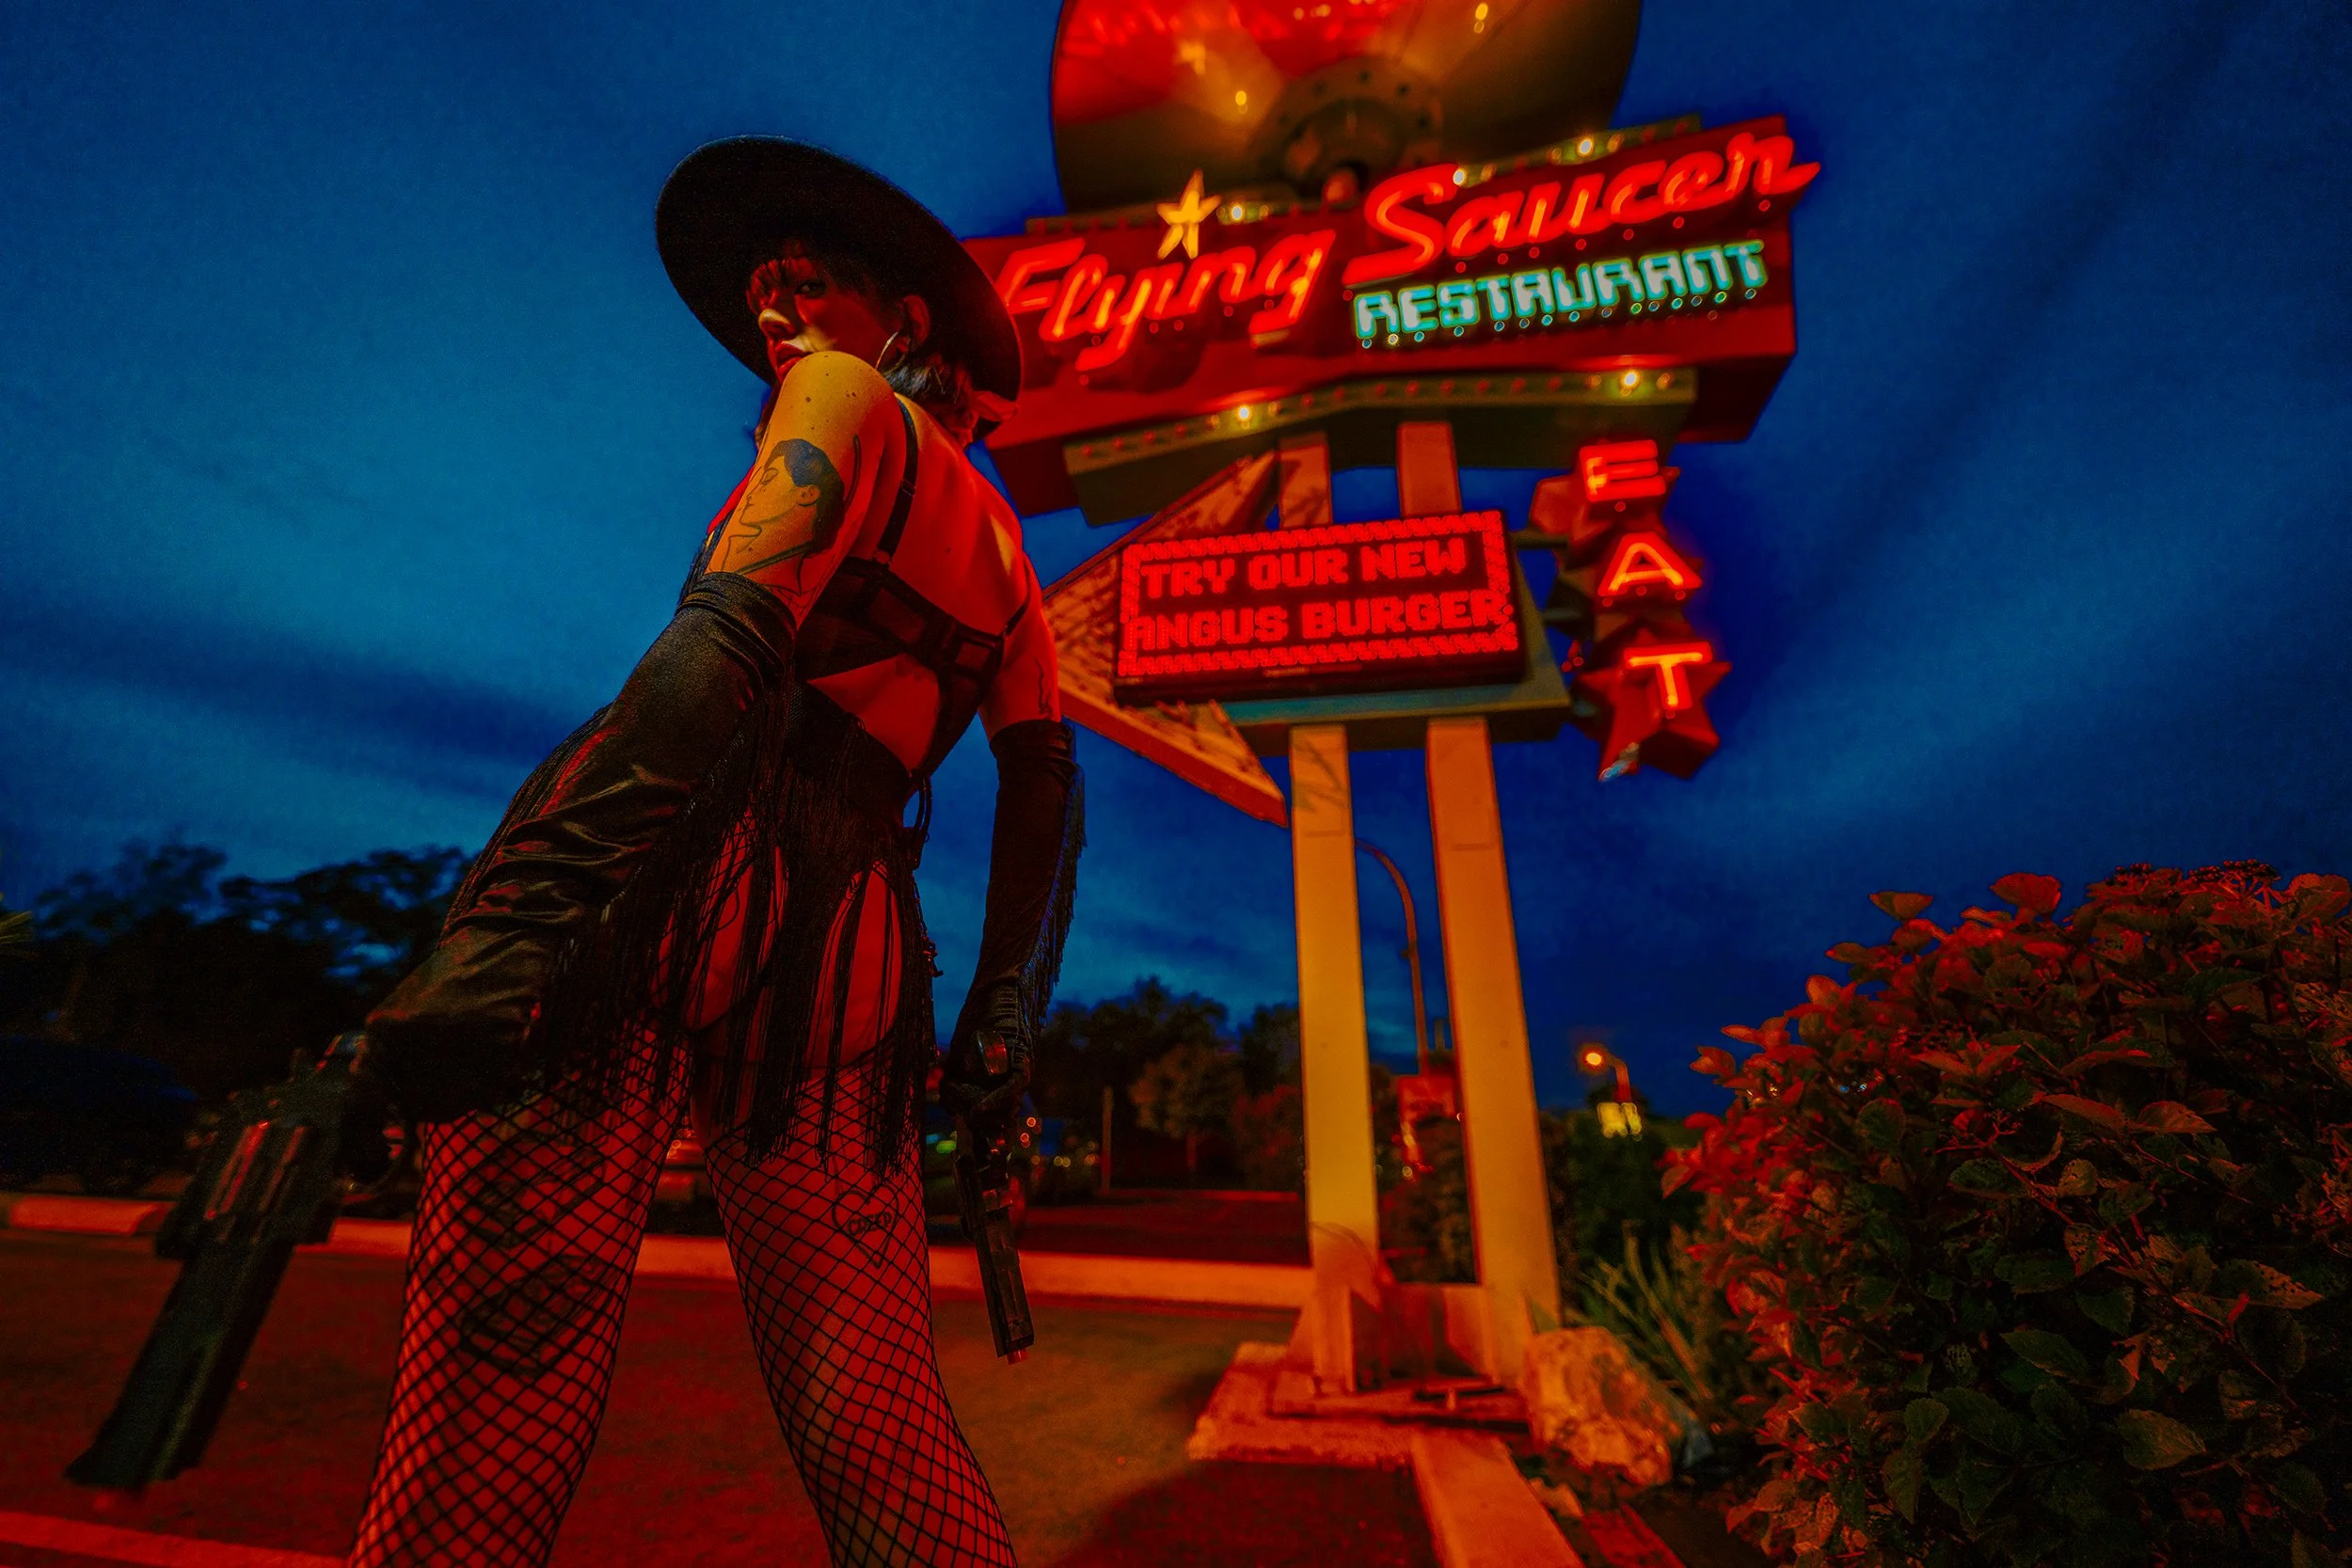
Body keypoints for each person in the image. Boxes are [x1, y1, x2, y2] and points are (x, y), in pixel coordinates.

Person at [342, 137, 1081, 1568]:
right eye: (761, 288)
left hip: (672, 873)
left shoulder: (838, 395)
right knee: (878, 1419)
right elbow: (1045, 799)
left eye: (803, 279)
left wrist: (529, 907)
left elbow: (723, 642)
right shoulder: (1007, 553)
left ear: (902, 320)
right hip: (857, 944)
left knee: (491, 1403)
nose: (770, 304)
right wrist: (1000, 1020)